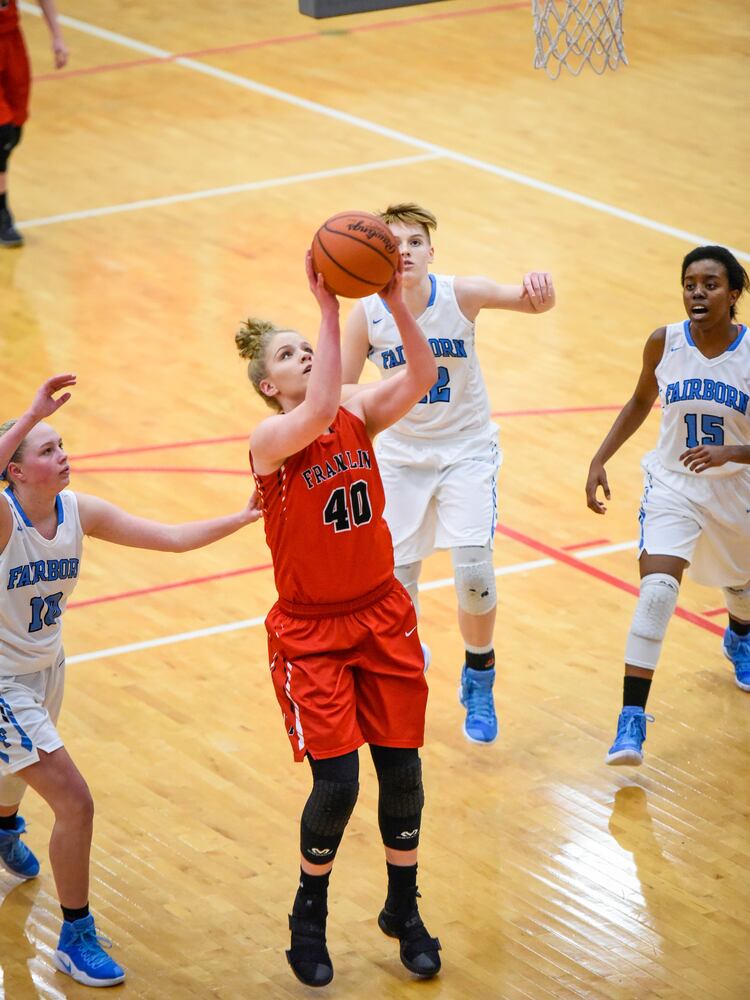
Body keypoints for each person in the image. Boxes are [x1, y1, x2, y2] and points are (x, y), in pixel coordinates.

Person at [0, 373, 260, 986]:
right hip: (2, 681)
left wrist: (243, 517)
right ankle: (75, 935)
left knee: (16, 769)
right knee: (74, 800)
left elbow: (169, 539)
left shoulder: (77, 511)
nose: (63, 455)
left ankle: (5, 826)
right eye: (47, 449)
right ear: (14, 471)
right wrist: (30, 413)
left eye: (61, 444)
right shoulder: (4, 523)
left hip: (46, 668)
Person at [241, 252, 441, 987]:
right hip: (312, 635)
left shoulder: (356, 411)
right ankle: (309, 918)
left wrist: (393, 300)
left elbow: (421, 379)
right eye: (290, 353)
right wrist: (328, 308)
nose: (306, 354)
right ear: (271, 387)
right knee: (337, 788)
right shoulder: (271, 443)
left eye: (308, 344)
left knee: (404, 774)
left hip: (381, 614)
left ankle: (404, 909)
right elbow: (319, 409)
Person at [341, 203, 555, 744]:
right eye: (395, 244)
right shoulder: (366, 315)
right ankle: (405, 672)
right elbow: (339, 393)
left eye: (415, 242)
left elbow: (531, 302)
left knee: (475, 573)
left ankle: (479, 674)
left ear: (431, 253)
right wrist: (392, 388)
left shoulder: (461, 294)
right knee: (398, 588)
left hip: (466, 450)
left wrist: (540, 289)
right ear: (379, 256)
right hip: (399, 457)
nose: (406, 251)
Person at [586, 245, 750, 766]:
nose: (697, 293)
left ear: (735, 294)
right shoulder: (665, 342)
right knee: (657, 592)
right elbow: (640, 401)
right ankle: (630, 721)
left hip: (736, 489)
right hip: (673, 484)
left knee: (742, 585)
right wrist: (600, 457)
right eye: (689, 284)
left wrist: (732, 452)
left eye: (710, 284)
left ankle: (740, 634)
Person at [1, 0, 68, 247]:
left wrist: (57, 37)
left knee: (15, 129)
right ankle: (2, 214)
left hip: (11, 42)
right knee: (2, 132)